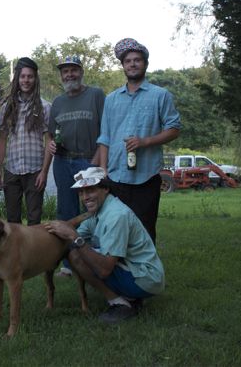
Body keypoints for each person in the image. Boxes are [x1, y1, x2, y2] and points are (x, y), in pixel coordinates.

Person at [45, 167, 165, 324]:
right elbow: (73, 236)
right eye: (81, 192)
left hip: (146, 278)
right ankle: (131, 297)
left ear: (106, 189)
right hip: (137, 271)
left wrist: (74, 236)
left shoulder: (116, 215)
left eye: (90, 190)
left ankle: (120, 303)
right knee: (78, 249)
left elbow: (104, 270)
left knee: (77, 255)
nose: (85, 197)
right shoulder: (99, 211)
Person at [93, 38, 180, 243]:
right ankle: (117, 264)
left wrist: (145, 142)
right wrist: (103, 169)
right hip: (115, 177)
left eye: (137, 60)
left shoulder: (160, 95)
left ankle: (145, 264)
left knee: (144, 232)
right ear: (123, 66)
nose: (132, 64)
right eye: (128, 61)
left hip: (146, 177)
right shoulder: (111, 99)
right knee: (114, 231)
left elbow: (174, 129)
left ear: (145, 64)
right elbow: (105, 137)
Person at [47, 55, 105, 276]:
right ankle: (69, 264)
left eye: (73, 70)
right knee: (66, 211)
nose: (69, 75)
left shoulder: (96, 95)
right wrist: (51, 144)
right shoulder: (58, 102)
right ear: (61, 75)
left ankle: (97, 259)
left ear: (81, 72)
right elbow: (51, 134)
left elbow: (106, 131)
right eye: (65, 71)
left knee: (93, 210)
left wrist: (96, 163)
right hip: (63, 161)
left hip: (88, 159)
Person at [0, 57, 51, 225]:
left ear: (35, 79)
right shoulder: (7, 107)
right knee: (12, 220)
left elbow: (49, 141)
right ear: (17, 78)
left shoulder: (44, 107)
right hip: (12, 169)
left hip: (35, 170)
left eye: (30, 76)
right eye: (23, 76)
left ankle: (34, 243)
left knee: (34, 219)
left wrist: (44, 172)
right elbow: (2, 140)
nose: (26, 80)